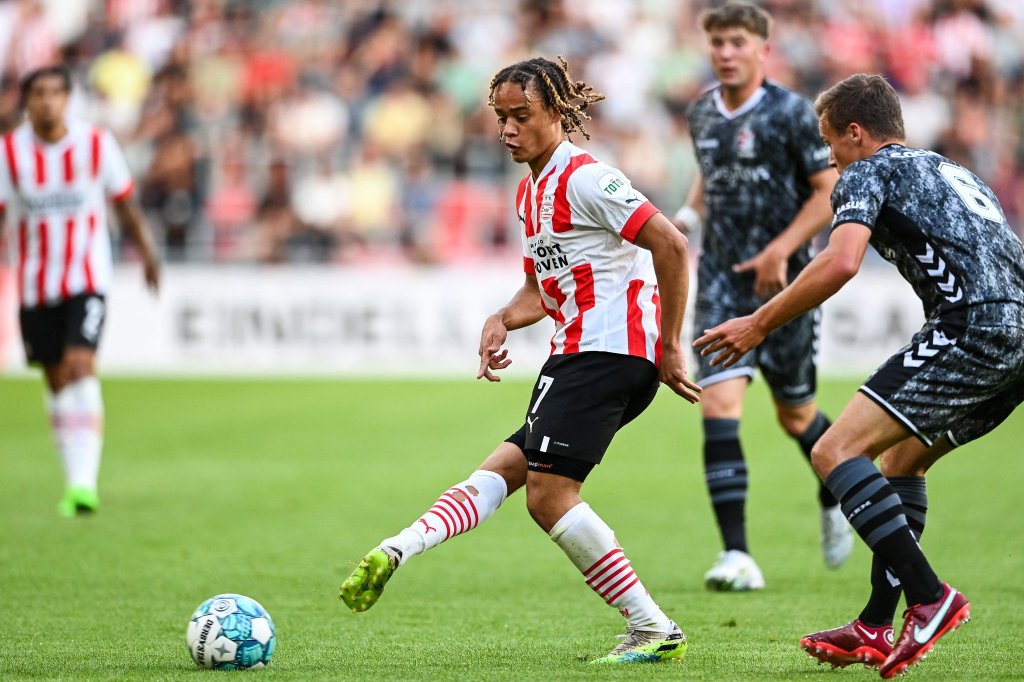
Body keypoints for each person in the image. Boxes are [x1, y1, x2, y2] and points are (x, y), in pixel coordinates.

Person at [339, 56, 703, 664]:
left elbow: (670, 242)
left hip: (604, 350)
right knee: (506, 468)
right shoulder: (530, 192)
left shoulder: (587, 178)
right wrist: (501, 319)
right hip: (582, 353)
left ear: (556, 112)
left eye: (521, 115)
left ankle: (653, 628)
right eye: (501, 117)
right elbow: (539, 289)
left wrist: (669, 344)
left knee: (547, 495)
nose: (508, 129)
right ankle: (397, 548)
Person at [693, 73, 1022, 678]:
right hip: (1017, 337)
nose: (829, 159)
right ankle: (874, 624)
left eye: (829, 143)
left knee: (833, 450)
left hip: (973, 325)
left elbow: (841, 260)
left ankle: (930, 597)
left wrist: (759, 322)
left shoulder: (869, 169)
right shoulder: (952, 170)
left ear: (855, 133)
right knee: (901, 462)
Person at [672, 2, 848, 591]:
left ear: (762, 50)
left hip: (788, 286)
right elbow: (709, 173)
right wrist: (685, 217)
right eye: (717, 42)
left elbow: (827, 192)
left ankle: (833, 490)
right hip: (721, 282)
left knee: (796, 415)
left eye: (737, 42)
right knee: (718, 405)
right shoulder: (701, 111)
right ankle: (737, 555)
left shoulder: (794, 114)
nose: (725, 53)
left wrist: (781, 249)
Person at [0, 65, 160, 517]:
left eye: (55, 92)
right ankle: (73, 476)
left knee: (79, 364)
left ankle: (83, 483)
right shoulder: (9, 152)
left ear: (68, 99)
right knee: (55, 378)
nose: (47, 101)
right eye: (38, 93)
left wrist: (148, 254)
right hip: (35, 281)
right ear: (27, 101)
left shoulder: (96, 144)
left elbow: (124, 202)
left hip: (87, 276)